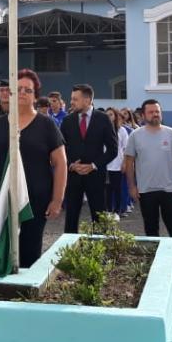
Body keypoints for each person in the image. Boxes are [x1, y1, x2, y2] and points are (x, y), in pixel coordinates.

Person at [0, 69, 66, 267]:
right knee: (1, 246)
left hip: (35, 201)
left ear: (35, 96)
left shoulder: (46, 125)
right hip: (2, 196)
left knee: (29, 250)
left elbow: (60, 163)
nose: (22, 93)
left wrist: (57, 200)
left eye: (28, 90)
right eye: (18, 89)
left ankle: (26, 285)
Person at [123, 99, 172, 260]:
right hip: (146, 190)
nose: (155, 114)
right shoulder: (135, 135)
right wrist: (132, 186)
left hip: (169, 189)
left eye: (157, 111)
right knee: (151, 228)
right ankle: (154, 259)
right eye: (151, 112)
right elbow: (129, 162)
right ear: (143, 115)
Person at [59, 84, 118, 233]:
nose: (71, 102)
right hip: (73, 176)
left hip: (96, 177)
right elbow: (61, 148)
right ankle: (70, 245)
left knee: (99, 218)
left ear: (87, 100)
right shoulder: (67, 121)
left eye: (75, 99)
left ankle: (101, 246)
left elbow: (113, 149)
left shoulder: (103, 119)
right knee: (71, 218)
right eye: (72, 99)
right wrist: (71, 164)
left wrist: (93, 165)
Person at [103, 108, 129, 220]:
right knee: (107, 190)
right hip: (105, 165)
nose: (109, 117)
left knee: (117, 189)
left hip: (117, 165)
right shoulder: (102, 129)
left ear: (115, 116)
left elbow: (126, 148)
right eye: (107, 115)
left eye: (111, 114)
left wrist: (124, 163)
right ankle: (108, 210)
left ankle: (117, 211)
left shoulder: (122, 130)